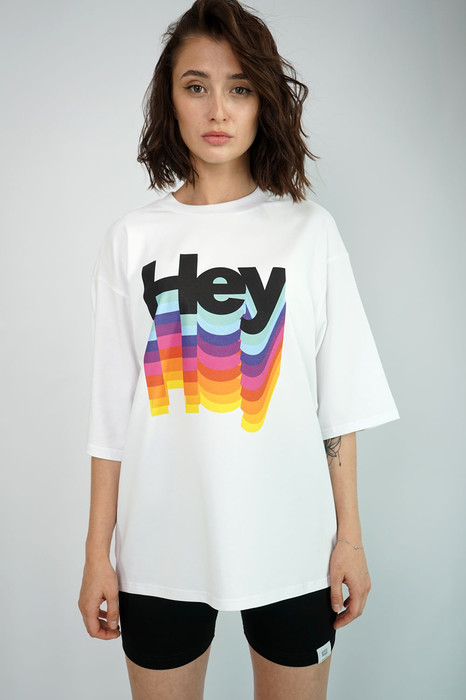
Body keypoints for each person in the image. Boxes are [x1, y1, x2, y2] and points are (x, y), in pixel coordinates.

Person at [78, 1, 400, 698]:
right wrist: (97, 553)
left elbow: (337, 402)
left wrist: (349, 538)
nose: (217, 109)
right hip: (160, 547)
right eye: (196, 86)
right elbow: (111, 414)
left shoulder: (309, 232)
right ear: (169, 101)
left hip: (293, 544)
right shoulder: (132, 239)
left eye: (240, 87)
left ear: (264, 102)